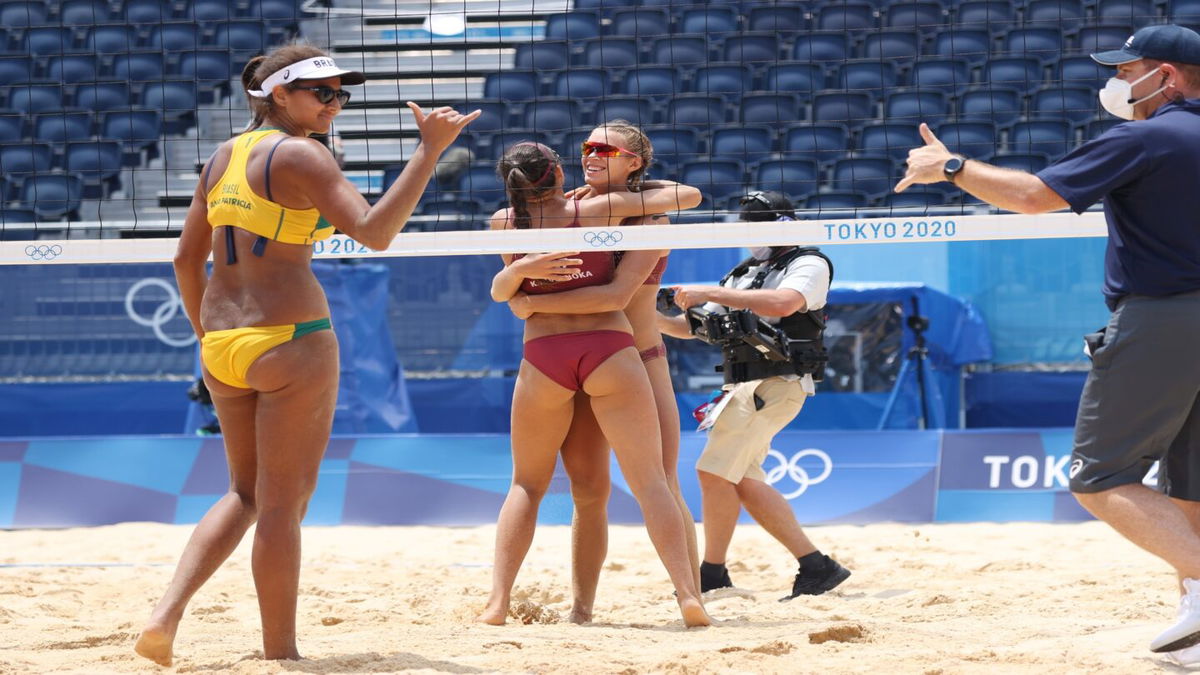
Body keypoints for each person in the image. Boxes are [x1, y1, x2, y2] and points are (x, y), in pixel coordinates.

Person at [135, 44, 479, 666]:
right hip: (291, 338)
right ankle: (280, 652)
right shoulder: (300, 153)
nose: (335, 103)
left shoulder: (221, 157)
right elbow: (375, 233)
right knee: (281, 504)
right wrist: (427, 152)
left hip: (223, 345)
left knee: (243, 492)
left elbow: (187, 259)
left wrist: (207, 337)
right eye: (321, 92)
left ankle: (164, 616)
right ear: (277, 96)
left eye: (340, 93)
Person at [894, 23, 1200, 660]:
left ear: (1165, 76)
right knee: (1190, 484)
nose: (1115, 82)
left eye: (1125, 70)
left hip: (1168, 318)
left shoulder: (1149, 137)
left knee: (1099, 477)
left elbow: (1034, 198)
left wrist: (949, 165)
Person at [480, 141, 710, 627]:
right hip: (614, 349)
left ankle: (497, 603)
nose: (591, 155)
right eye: (585, 149)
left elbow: (505, 291)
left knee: (527, 484)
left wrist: (525, 297)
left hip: (544, 356)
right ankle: (688, 594)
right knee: (651, 483)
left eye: (603, 148)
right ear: (559, 173)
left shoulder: (505, 221)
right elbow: (689, 196)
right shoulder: (602, 210)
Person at [656, 190, 852, 601]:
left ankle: (717, 572)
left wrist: (711, 292)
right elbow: (693, 328)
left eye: (756, 225)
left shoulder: (809, 262)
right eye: (746, 225)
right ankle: (813, 567)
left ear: (782, 225)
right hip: (741, 386)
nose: (749, 233)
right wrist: (644, 312)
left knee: (715, 474)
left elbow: (783, 304)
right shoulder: (743, 271)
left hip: (779, 383)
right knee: (739, 479)